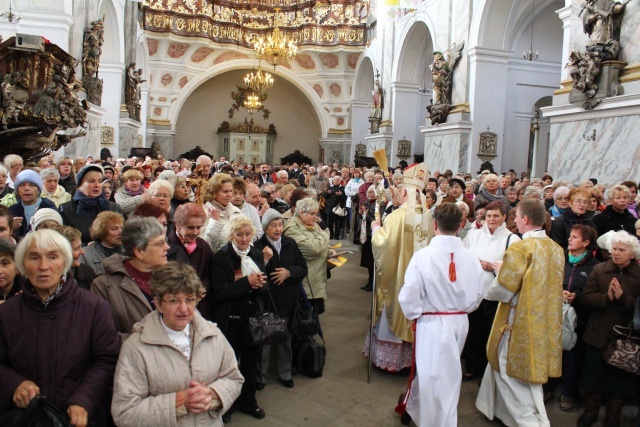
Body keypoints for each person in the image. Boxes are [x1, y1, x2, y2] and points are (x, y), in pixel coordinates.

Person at [0, 230, 120, 426]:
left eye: (53, 257)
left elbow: (107, 360)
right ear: (22, 265)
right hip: (26, 418)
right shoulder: (7, 314)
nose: (43, 266)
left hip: (80, 419)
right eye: (34, 257)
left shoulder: (94, 308)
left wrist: (84, 400)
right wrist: (15, 384)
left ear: (65, 262)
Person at [111, 262, 243, 426]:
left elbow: (234, 378)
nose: (184, 309)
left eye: (190, 299)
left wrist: (213, 395)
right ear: (158, 303)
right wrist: (177, 402)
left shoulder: (212, 334)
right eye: (174, 300)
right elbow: (124, 413)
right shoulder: (136, 347)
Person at [476, 199, 564, 427]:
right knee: (525, 373)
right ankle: (499, 411)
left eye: (516, 217)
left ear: (525, 219)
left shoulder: (521, 248)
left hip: (517, 321)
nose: (514, 220)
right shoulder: (556, 249)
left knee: (509, 371)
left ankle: (529, 423)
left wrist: (487, 292)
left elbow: (504, 289)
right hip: (543, 321)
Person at [396, 202, 483, 427]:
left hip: (432, 322)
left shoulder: (423, 256)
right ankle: (417, 409)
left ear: (434, 224)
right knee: (446, 373)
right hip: (459, 322)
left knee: (433, 376)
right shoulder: (472, 257)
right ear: (460, 225)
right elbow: (477, 295)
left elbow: (410, 295)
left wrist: (414, 312)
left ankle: (436, 421)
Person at [366, 163, 434, 373]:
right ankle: (408, 358)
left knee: (393, 306)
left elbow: (382, 244)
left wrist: (376, 229)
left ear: (405, 192)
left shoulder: (397, 217)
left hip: (397, 275)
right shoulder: (428, 217)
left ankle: (391, 361)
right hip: (419, 279)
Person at [577, 230, 640, 427]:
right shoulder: (600, 270)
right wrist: (607, 298)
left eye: (622, 249)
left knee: (619, 382)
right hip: (598, 333)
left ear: (633, 253)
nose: (616, 253)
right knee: (593, 379)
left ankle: (613, 416)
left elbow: (638, 306)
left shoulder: (638, 275)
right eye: (614, 249)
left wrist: (623, 299)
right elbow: (586, 297)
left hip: (625, 339)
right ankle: (591, 412)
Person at [209, 217, 268, 422]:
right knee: (229, 364)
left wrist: (258, 283)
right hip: (230, 319)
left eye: (247, 234)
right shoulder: (221, 258)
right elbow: (220, 292)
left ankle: (249, 402)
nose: (244, 239)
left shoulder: (256, 254)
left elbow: (265, 286)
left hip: (252, 317)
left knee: (251, 362)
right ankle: (228, 405)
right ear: (231, 235)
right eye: (239, 234)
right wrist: (247, 282)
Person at [462, 201, 520, 381]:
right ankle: (472, 367)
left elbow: (514, 270)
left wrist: (492, 268)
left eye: (496, 216)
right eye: (488, 216)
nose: (492, 219)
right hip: (474, 292)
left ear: (504, 217)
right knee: (473, 333)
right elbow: (463, 256)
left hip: (495, 295)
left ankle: (487, 375)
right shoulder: (474, 235)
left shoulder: (512, 239)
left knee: (490, 335)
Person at [543, 224, 599, 412]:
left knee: (573, 357)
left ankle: (568, 392)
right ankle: (549, 387)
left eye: (575, 237)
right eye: (570, 236)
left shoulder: (594, 266)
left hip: (578, 318)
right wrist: (558, 291)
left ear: (586, 242)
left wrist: (577, 296)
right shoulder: (561, 259)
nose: (569, 239)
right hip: (556, 313)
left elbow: (593, 291)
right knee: (554, 352)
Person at [254, 209, 308, 390]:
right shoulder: (258, 246)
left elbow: (302, 267)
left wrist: (289, 272)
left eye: (280, 225)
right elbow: (253, 273)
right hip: (267, 302)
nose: (278, 229)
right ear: (265, 228)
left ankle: (284, 373)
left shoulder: (289, 243)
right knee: (265, 342)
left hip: (287, 301)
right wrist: (265, 260)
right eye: (273, 225)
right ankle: (261, 377)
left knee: (285, 339)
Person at [91, 217, 169, 338]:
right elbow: (103, 335)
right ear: (139, 252)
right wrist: (146, 342)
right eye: (160, 244)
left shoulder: (172, 277)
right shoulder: (104, 285)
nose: (167, 247)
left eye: (165, 241)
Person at [283, 197, 330, 315]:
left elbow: (320, 246)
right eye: (312, 214)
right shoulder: (292, 230)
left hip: (316, 280)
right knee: (304, 319)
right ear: (301, 213)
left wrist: (329, 252)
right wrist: (325, 235)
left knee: (314, 317)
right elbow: (315, 249)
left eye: (317, 214)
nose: (316, 217)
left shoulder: (310, 225)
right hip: (306, 283)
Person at [169, 203, 213, 320]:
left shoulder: (204, 246)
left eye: (198, 227)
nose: (195, 232)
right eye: (190, 227)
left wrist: (203, 288)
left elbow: (209, 274)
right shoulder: (167, 247)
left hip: (200, 307)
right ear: (178, 225)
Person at [59, 164, 121, 245]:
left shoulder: (113, 208)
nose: (97, 185)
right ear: (80, 186)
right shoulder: (67, 210)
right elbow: (64, 241)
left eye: (99, 181)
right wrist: (86, 246)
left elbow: (123, 236)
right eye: (91, 181)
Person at [201, 173, 245, 253]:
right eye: (225, 191)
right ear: (214, 192)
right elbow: (206, 247)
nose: (229, 195)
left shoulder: (237, 211)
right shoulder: (204, 212)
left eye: (231, 191)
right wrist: (215, 223)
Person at [7, 170, 58, 240]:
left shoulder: (49, 209)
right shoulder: (12, 211)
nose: (27, 188)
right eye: (22, 185)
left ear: (39, 190)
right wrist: (10, 228)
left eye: (32, 185)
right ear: (17, 191)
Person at [54, 225, 95, 290]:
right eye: (76, 248)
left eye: (81, 246)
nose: (82, 252)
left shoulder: (87, 272)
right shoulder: (47, 279)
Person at [324, 175, 346, 239]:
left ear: (340, 181)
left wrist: (341, 194)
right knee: (329, 222)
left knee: (338, 222)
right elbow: (325, 196)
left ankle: (336, 236)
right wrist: (327, 193)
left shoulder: (342, 188)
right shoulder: (330, 188)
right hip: (330, 207)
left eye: (337, 180)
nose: (336, 181)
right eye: (335, 180)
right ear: (333, 181)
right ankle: (330, 235)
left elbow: (345, 197)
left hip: (338, 207)